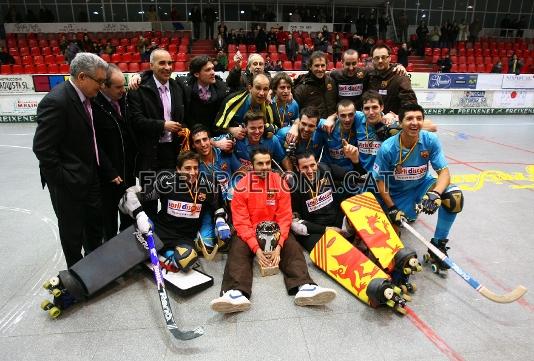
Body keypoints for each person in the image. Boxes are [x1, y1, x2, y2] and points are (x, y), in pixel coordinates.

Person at [210, 149, 337, 313]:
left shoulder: (280, 183)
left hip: (274, 229)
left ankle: (306, 287)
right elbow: (241, 222)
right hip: (250, 229)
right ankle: (235, 293)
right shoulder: (241, 187)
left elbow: (284, 217)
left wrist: (279, 245)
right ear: (252, 166)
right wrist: (256, 249)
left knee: (292, 246)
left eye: (267, 163)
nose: (264, 167)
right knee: (237, 249)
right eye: (260, 164)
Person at [33, 53, 108, 268]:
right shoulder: (56, 102)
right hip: (68, 183)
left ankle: (94, 268)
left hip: (90, 175)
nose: (102, 86)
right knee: (73, 232)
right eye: (99, 81)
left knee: (94, 226)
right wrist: (64, 180)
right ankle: (77, 274)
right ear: (82, 77)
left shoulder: (88, 97)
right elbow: (42, 148)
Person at [372, 103, 464, 272]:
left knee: (454, 197)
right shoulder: (387, 148)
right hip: (397, 193)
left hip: (422, 185)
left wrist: (436, 194)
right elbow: (381, 181)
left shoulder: (430, 140)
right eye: (409, 119)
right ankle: (403, 211)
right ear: (400, 123)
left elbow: (444, 173)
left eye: (419, 118)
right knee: (390, 245)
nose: (414, 122)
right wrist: (392, 208)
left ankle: (438, 245)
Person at [120, 151, 230, 271]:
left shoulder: (209, 183)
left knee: (187, 260)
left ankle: (166, 254)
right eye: (187, 168)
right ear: (178, 169)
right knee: (127, 250)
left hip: (186, 236)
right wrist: (140, 215)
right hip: (161, 230)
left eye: (195, 168)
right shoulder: (165, 180)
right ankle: (163, 253)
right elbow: (128, 197)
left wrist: (220, 221)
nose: (192, 173)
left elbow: (218, 206)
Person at [127, 49, 189, 219]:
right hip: (149, 155)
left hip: (172, 153)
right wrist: (163, 126)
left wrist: (183, 129)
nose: (167, 67)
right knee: (149, 201)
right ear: (151, 65)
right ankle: (151, 241)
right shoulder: (138, 88)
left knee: (172, 198)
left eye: (170, 63)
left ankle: (168, 237)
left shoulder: (178, 87)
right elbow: (136, 122)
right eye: (162, 63)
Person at [92, 64, 137, 241]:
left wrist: (137, 76)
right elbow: (94, 144)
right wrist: (108, 170)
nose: (123, 90)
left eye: (124, 85)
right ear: (104, 86)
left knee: (128, 216)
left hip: (127, 172)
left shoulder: (124, 99)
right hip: (108, 177)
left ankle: (127, 256)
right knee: (108, 222)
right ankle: (110, 260)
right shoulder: (94, 106)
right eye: (118, 87)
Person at [290, 152, 347, 252]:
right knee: (333, 251)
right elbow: (297, 221)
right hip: (315, 229)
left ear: (317, 163)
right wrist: (326, 229)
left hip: (337, 219)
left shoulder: (327, 168)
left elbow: (356, 177)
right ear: (298, 168)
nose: (310, 171)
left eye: (312, 165)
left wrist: (356, 161)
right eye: (304, 167)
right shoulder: (293, 185)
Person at [215, 73, 281, 140]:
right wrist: (231, 130)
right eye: (258, 88)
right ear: (250, 88)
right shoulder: (233, 101)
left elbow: (278, 126)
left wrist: (267, 128)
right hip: (237, 142)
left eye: (265, 89)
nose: (262, 93)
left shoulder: (270, 103)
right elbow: (216, 127)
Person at [190, 125, 243, 203]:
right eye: (197, 141)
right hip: (211, 205)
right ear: (193, 145)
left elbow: (241, 171)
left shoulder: (224, 152)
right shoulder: (194, 165)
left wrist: (232, 189)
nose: (203, 144)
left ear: (210, 140)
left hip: (234, 201)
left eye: (205, 139)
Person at [315, 100, 367, 173]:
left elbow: (376, 114)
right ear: (337, 115)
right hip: (328, 169)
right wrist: (295, 125)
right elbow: (308, 120)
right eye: (343, 115)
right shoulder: (327, 125)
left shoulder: (359, 120)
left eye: (351, 115)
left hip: (350, 171)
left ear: (355, 113)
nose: (347, 119)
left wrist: (389, 116)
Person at [367, 44, 417, 115]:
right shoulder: (369, 76)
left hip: (393, 124)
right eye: (377, 58)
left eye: (383, 57)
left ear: (389, 58)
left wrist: (397, 117)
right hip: (373, 122)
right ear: (372, 60)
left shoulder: (400, 75)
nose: (380, 61)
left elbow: (409, 102)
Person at [293, 51, 337, 119]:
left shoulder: (331, 81)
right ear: (310, 67)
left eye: (323, 65)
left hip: (332, 124)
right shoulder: (302, 87)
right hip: (312, 127)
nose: (320, 69)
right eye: (316, 66)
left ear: (326, 66)